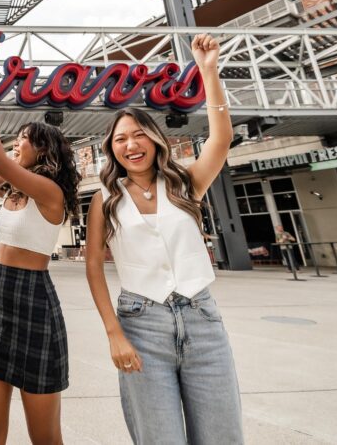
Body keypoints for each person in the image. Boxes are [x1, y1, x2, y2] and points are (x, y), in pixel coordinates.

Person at [85, 34, 244, 444]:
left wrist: (208, 71)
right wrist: (113, 333)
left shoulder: (186, 183)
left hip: (202, 319)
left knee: (221, 435)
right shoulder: (105, 198)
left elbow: (221, 140)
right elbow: (93, 269)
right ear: (111, 149)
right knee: (160, 438)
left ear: (155, 140)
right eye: (120, 139)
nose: (130, 144)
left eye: (138, 135)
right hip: (141, 324)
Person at [0, 60, 80, 445]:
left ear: (43, 148)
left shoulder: (51, 193)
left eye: (23, 138)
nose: (16, 143)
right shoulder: (11, 191)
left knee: (44, 436)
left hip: (35, 303)